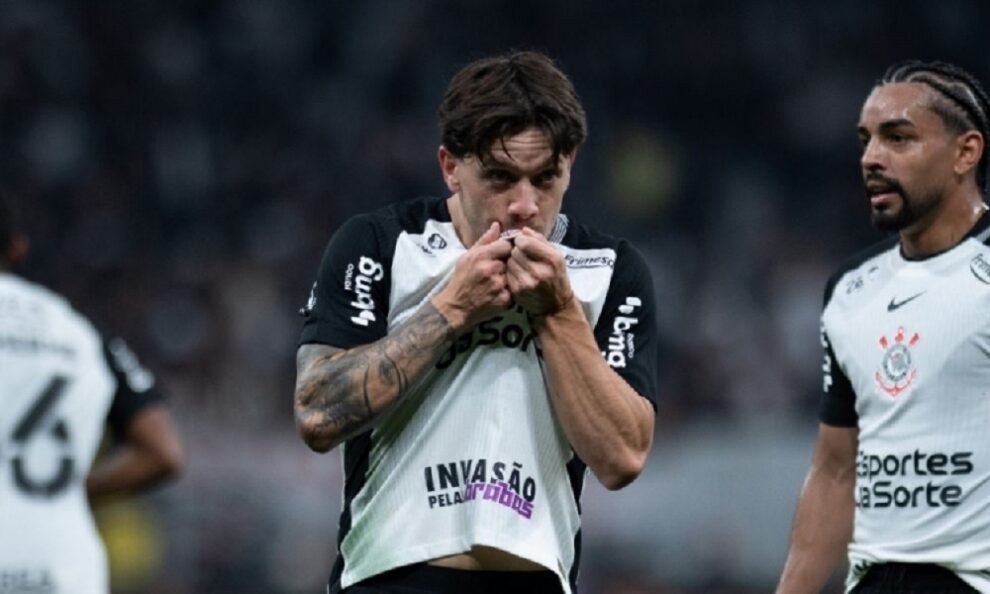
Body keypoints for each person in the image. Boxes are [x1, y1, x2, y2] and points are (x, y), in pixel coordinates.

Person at [294, 50, 657, 594]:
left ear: (570, 164)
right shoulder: (380, 244)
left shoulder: (608, 270)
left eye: (545, 178)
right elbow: (318, 413)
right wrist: (451, 309)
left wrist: (558, 313)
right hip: (389, 576)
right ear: (451, 167)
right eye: (500, 177)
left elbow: (623, 457)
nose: (524, 205)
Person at [776, 60, 990, 593]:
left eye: (898, 138)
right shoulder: (851, 290)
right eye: (866, 140)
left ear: (966, 152)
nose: (871, 157)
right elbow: (836, 471)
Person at [0, 196, 184, 594]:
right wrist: (70, 493)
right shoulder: (77, 330)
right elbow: (164, 452)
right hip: (61, 570)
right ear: (18, 248)